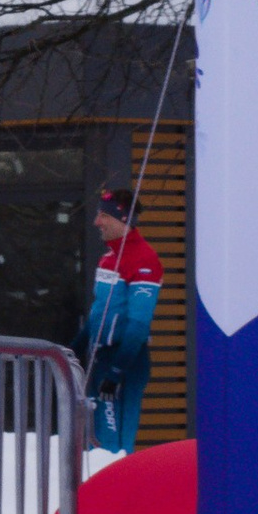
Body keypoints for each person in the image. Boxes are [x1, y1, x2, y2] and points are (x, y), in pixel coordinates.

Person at [78, 183, 162, 455]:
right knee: (94, 441)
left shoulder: (143, 258)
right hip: (99, 357)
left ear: (121, 219)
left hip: (123, 361)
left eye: (103, 216)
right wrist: (73, 348)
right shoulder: (107, 258)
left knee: (112, 447)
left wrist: (117, 371)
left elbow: (139, 323)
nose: (96, 222)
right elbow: (99, 311)